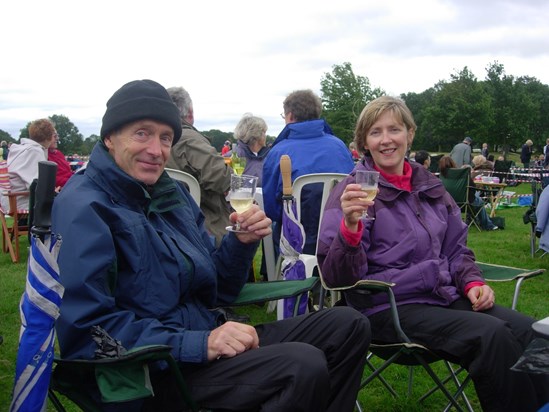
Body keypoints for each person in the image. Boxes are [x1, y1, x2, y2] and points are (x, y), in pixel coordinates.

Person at [51, 79, 371, 411]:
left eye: (165, 138)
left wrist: (240, 243)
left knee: (347, 325)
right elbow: (89, 331)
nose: (156, 149)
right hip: (152, 373)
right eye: (141, 133)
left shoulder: (169, 193)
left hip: (205, 339)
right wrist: (200, 343)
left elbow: (216, 287)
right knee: (300, 365)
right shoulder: (85, 207)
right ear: (109, 138)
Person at [317, 96, 549, 412]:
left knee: (535, 334)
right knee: (491, 336)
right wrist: (350, 228)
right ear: (363, 143)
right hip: (386, 307)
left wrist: (471, 282)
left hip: (442, 296)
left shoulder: (430, 186)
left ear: (410, 134)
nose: (386, 139)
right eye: (375, 132)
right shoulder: (352, 192)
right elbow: (336, 278)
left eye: (394, 129)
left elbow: (456, 248)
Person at [262, 89, 355, 255]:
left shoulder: (278, 153)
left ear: (289, 116)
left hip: (297, 244)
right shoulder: (340, 146)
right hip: (339, 236)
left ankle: (275, 275)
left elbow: (272, 211)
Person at [165, 86, 232, 246]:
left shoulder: (152, 144)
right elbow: (221, 178)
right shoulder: (189, 139)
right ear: (190, 113)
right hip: (205, 231)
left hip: (166, 232)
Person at [1, 119, 55, 212]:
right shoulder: (34, 151)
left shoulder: (20, 149)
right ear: (50, 137)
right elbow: (35, 185)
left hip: (10, 200)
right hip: (22, 202)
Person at [439, 155, 498, 231]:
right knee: (479, 201)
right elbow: (472, 186)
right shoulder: (462, 173)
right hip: (466, 203)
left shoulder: (441, 176)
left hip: (448, 204)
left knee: (475, 199)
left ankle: (471, 220)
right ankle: (488, 225)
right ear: (453, 163)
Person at [234, 113, 270, 186]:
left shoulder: (270, 156)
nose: (265, 136)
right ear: (257, 134)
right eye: (264, 132)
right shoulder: (234, 157)